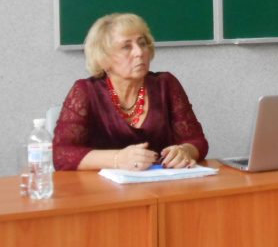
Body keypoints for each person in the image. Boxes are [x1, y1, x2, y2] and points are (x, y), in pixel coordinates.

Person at [53, 13, 209, 171]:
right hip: (102, 185)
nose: (139, 52)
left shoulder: (166, 84)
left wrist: (185, 151)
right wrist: (117, 159)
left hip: (161, 183)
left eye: (142, 44)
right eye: (126, 47)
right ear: (104, 58)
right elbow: (61, 155)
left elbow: (197, 141)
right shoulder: (86, 91)